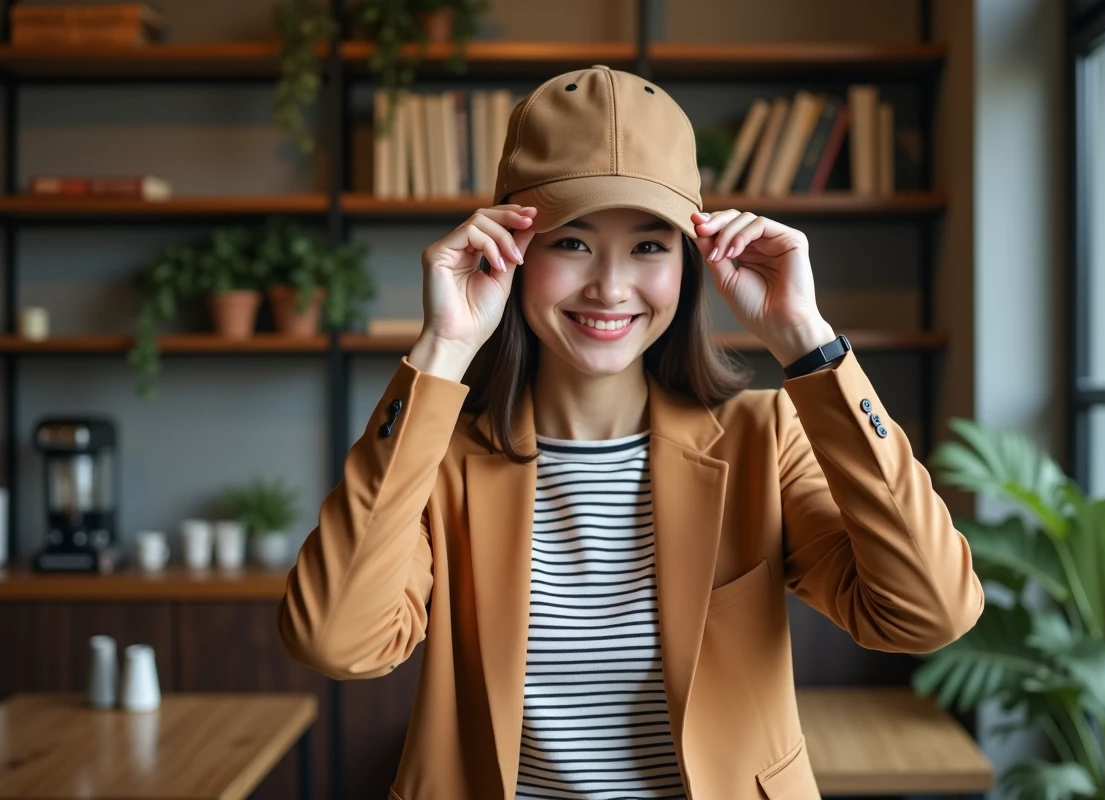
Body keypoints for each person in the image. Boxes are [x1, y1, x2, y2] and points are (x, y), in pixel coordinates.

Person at [278, 65, 984, 800]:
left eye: (649, 246)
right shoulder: (443, 458)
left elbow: (929, 611)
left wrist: (808, 343)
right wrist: (442, 349)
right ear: (511, 255)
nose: (610, 287)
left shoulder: (763, 437)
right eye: (572, 244)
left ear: (691, 261)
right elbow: (335, 641)